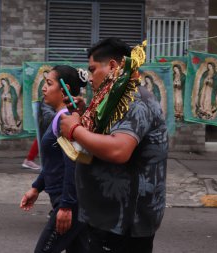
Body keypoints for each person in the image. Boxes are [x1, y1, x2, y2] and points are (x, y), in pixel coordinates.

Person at [60, 38, 168, 253]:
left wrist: (74, 130)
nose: (89, 78)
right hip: (106, 218)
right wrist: (83, 116)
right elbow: (103, 138)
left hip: (124, 224)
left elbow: (119, 150)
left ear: (112, 66)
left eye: (92, 70)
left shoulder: (135, 101)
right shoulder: (114, 98)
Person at [20, 65, 89, 253]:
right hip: (68, 200)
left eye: (49, 84)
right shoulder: (60, 117)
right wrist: (36, 188)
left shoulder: (66, 120)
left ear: (63, 89)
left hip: (69, 201)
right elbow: (54, 162)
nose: (44, 88)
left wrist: (66, 206)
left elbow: (72, 164)